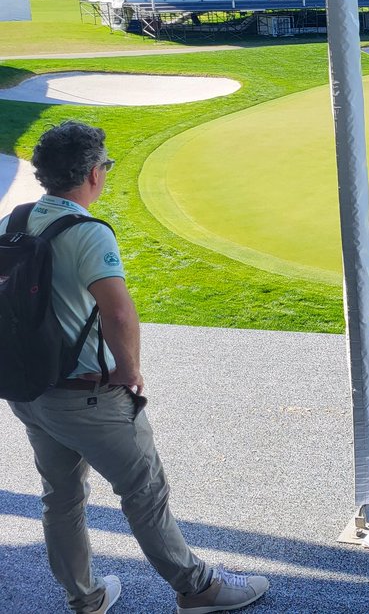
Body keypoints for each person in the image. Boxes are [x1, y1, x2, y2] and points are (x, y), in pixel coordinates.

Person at [3, 121, 269, 614]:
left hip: (29, 392)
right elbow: (118, 310)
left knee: (60, 496)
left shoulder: (13, 222)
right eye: (105, 164)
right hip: (87, 396)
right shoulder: (87, 232)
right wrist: (129, 371)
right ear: (92, 175)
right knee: (144, 490)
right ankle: (199, 589)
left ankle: (86, 598)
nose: (105, 172)